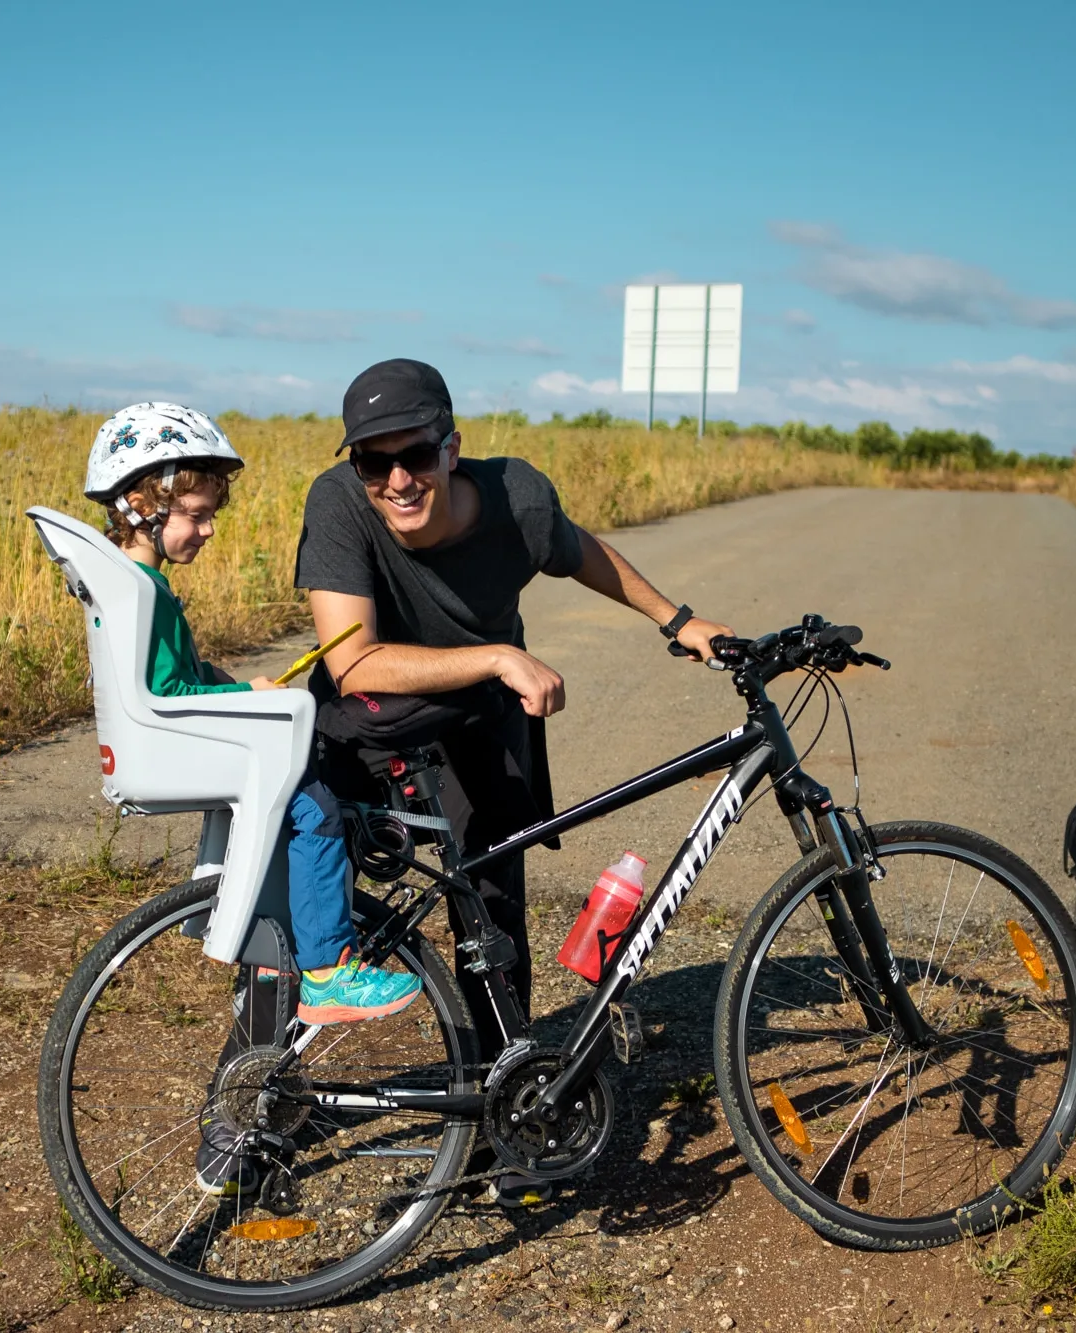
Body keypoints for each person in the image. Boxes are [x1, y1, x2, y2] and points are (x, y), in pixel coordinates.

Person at [294, 359, 733, 1203]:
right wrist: (500, 654)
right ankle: (245, 1113)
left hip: (481, 715)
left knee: (494, 904)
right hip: (372, 712)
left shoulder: (517, 498)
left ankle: (512, 1124)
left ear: (451, 446)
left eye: (415, 455)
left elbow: (578, 553)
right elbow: (353, 663)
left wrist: (677, 620)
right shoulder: (338, 505)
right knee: (304, 910)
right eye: (372, 462)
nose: (396, 479)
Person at [84, 401, 423, 1031]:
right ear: (142, 507)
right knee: (313, 805)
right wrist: (251, 698)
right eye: (195, 516)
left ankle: (283, 945)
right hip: (170, 741)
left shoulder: (126, 583)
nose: (208, 530)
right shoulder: (143, 592)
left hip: (164, 739)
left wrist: (242, 687)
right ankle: (327, 972)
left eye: (211, 516)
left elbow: (179, 683)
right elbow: (167, 694)